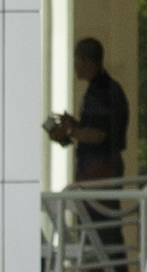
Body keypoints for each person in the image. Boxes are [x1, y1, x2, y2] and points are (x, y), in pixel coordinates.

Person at [45, 37, 129, 185]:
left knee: (95, 207)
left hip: (98, 166)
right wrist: (76, 125)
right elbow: (99, 126)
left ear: (83, 60)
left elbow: (98, 134)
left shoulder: (99, 92)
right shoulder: (108, 87)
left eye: (76, 60)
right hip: (104, 164)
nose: (75, 66)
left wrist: (69, 131)